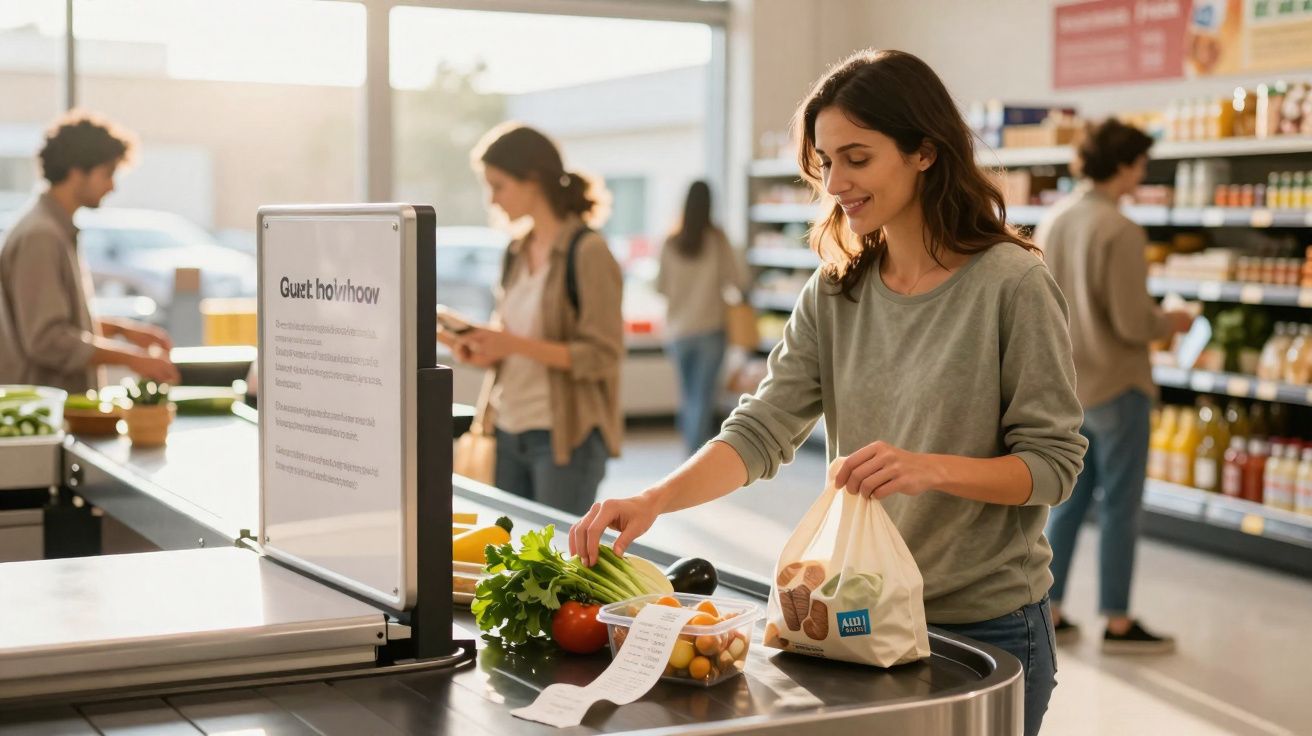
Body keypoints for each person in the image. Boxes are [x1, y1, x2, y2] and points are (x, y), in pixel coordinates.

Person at [570, 49, 1086, 736]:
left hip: (984, 627)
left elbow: (1052, 466)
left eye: (858, 158)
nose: (836, 181)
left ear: (924, 152)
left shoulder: (1011, 284)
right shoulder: (838, 288)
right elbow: (761, 428)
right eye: (825, 160)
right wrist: (656, 499)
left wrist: (928, 467)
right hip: (856, 617)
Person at [1036, 119, 1193, 655]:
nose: (1142, 173)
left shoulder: (1053, 220)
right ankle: (1119, 622)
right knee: (1122, 506)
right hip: (1118, 385)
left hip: (1069, 385)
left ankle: (1050, 611)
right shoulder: (1121, 229)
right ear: (1125, 165)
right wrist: (1171, 320)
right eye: (1141, 163)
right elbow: (1131, 322)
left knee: (1070, 503)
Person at [441, 123, 623, 516]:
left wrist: (511, 344)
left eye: (499, 185)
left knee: (555, 562)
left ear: (533, 180)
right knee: (511, 558)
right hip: (507, 429)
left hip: (564, 440)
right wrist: (481, 349)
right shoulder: (515, 251)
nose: (492, 199)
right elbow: (511, 342)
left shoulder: (588, 251)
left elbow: (603, 356)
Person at [0, 111, 179, 394]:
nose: (112, 186)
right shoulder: (40, 236)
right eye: (107, 173)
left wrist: (122, 330)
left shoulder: (53, 229)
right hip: (47, 412)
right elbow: (47, 339)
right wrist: (132, 360)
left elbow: (59, 321)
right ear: (76, 172)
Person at [656, 180, 749, 454]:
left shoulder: (670, 242)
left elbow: (660, 287)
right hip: (710, 329)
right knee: (702, 398)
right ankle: (693, 458)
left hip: (678, 332)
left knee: (688, 399)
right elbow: (737, 279)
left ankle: (689, 454)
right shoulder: (717, 240)